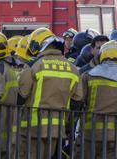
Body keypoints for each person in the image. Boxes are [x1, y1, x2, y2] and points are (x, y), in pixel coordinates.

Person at [19, 28, 84, 157]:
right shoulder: (73, 69)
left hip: (32, 129)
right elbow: (77, 101)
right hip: (57, 130)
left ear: (40, 45)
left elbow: (21, 95)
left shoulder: (34, 65)